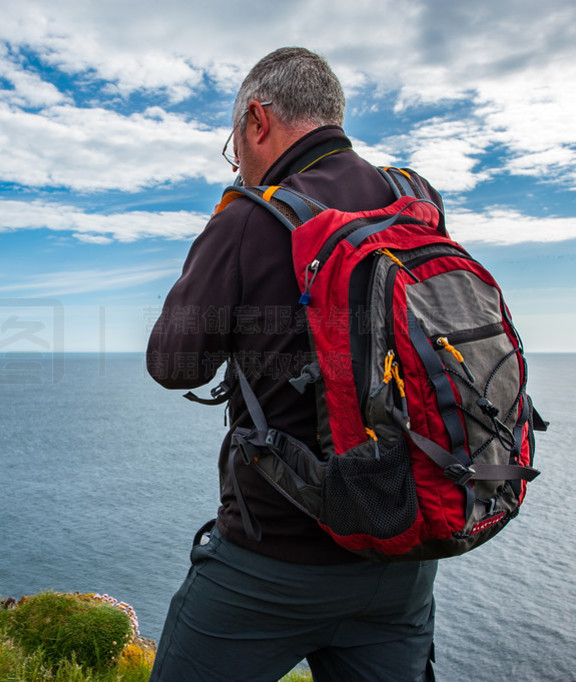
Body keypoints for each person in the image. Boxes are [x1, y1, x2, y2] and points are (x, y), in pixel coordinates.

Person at [146, 47, 441, 682]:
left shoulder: (252, 217)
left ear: (258, 120)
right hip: (402, 552)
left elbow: (172, 363)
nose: (239, 162)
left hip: (272, 561)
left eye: (235, 146)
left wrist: (226, 224)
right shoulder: (413, 196)